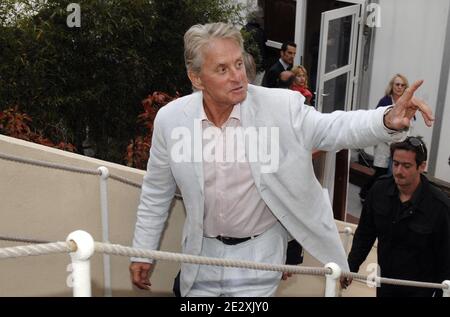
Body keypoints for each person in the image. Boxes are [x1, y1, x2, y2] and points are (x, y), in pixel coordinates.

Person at [129, 22, 433, 297]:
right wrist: (142, 252)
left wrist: (386, 120)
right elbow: (156, 192)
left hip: (258, 258)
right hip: (200, 255)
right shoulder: (171, 121)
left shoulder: (280, 108)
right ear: (196, 78)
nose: (238, 76)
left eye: (239, 64)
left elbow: (333, 128)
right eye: (222, 69)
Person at [342, 137, 450, 297]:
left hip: (421, 291)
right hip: (385, 286)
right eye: (396, 163)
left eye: (406, 166)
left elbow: (446, 260)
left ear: (422, 166)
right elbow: (365, 234)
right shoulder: (379, 191)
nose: (398, 171)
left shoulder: (439, 207)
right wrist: (351, 267)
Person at [359, 74, 410, 202]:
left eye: (402, 85)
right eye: (397, 84)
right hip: (383, 143)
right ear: (392, 86)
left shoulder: (407, 103)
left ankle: (383, 198)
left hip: (398, 144)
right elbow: (378, 123)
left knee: (392, 173)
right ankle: (365, 193)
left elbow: (409, 124)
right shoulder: (385, 101)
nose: (399, 87)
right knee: (380, 173)